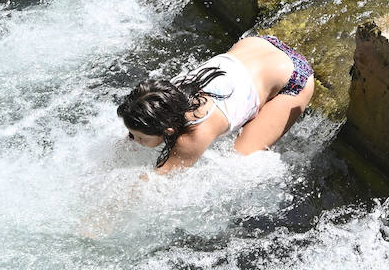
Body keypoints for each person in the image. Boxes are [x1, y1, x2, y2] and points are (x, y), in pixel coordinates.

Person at [117, 35, 315, 173]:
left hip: (293, 76)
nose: (134, 140)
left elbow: (157, 182)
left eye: (140, 137)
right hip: (257, 45)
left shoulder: (195, 133)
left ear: (169, 130)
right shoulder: (161, 97)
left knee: (240, 162)